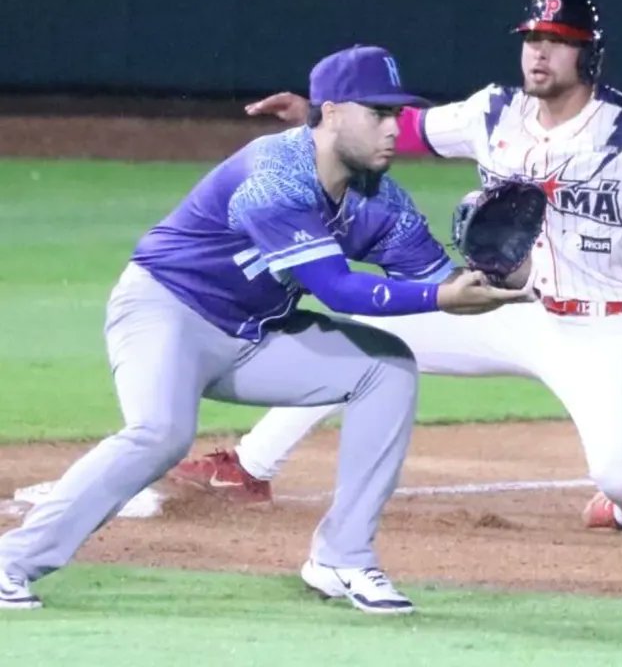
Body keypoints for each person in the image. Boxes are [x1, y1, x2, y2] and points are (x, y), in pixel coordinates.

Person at [174, 0, 622, 536]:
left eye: (558, 41)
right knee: (363, 335)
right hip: (509, 307)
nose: (539, 53)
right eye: (533, 39)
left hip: (607, 328)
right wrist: (321, 115)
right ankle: (248, 468)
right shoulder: (492, 112)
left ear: (588, 55)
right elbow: (402, 129)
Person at [0, 45, 528, 613]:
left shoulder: (382, 202)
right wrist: (443, 296)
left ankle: (343, 557)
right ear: (330, 113)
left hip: (255, 336)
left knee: (386, 368)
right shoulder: (273, 173)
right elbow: (339, 290)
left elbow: (446, 284)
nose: (393, 128)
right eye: (378, 112)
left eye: (396, 114)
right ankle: (12, 562)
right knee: (161, 432)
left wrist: (501, 268)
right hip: (167, 312)